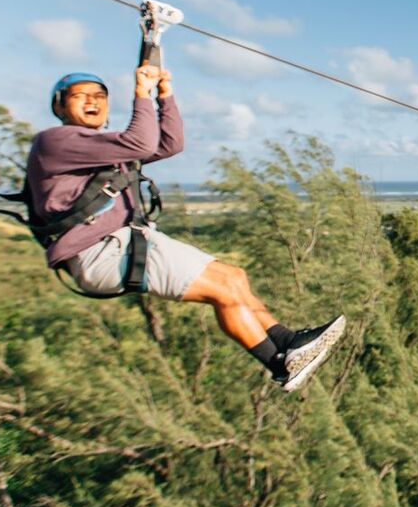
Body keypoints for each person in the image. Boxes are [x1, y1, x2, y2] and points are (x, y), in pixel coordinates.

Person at [25, 64, 345, 392]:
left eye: (99, 96)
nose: (92, 101)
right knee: (222, 293)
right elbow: (140, 141)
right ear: (60, 106)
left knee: (233, 278)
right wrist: (142, 93)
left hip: (127, 241)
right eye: (80, 96)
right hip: (102, 251)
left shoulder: (101, 149)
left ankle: (287, 341)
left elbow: (168, 143)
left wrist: (165, 94)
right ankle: (279, 364)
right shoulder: (55, 141)